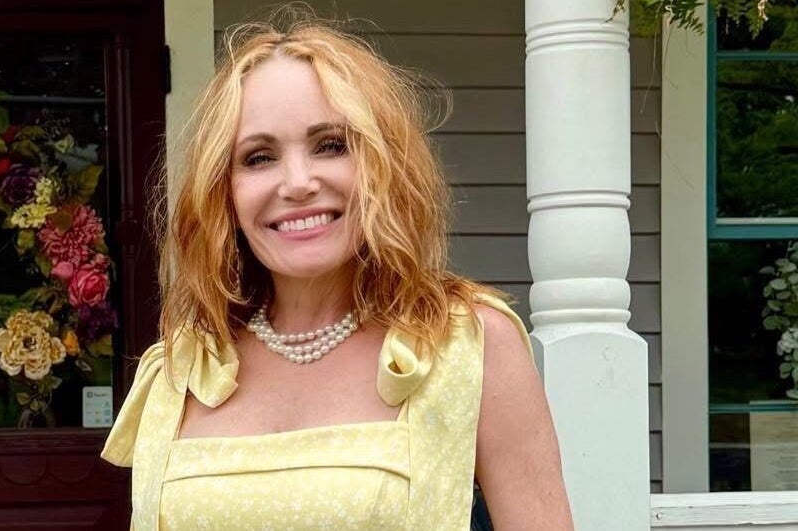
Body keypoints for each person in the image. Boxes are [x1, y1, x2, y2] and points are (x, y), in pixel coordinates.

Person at [101, 9, 573, 531]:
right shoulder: (184, 366)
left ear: (384, 165)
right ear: (223, 191)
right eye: (258, 157)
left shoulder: (470, 344)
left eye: (331, 146)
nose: (298, 183)